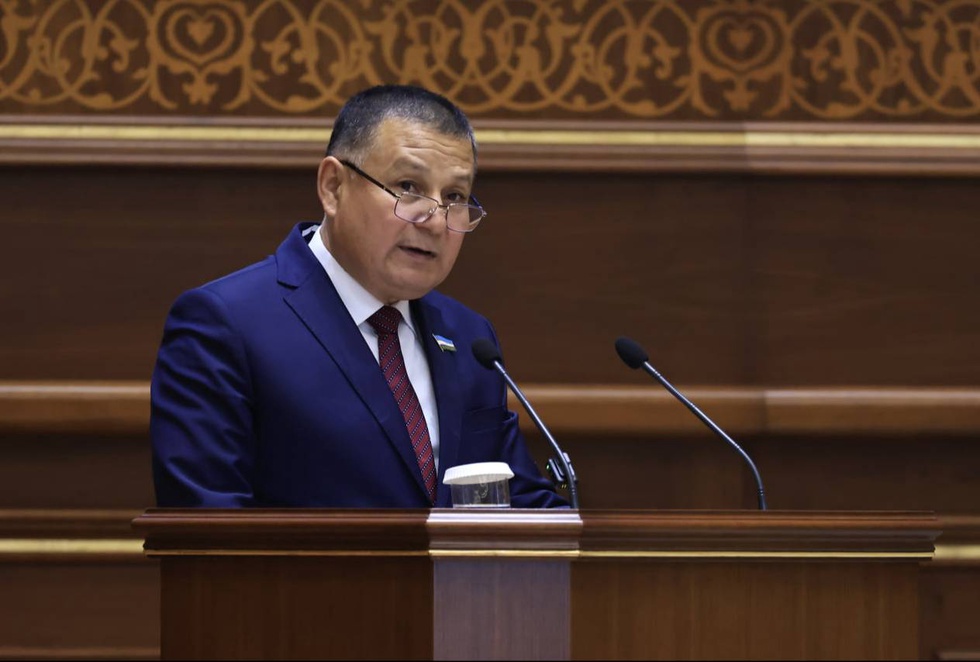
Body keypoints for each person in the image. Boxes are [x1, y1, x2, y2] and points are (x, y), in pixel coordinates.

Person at [150, 84, 568, 508]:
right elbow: (206, 526)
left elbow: (519, 500)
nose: (436, 221)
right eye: (408, 186)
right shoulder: (225, 325)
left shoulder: (469, 337)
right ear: (333, 187)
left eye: (455, 197)